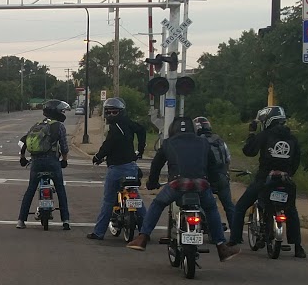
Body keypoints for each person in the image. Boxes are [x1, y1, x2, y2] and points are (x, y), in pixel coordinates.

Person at [126, 116, 237, 259]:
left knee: (158, 204)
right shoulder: (203, 142)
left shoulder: (168, 143)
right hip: (201, 184)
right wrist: (213, 182)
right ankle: (221, 246)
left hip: (177, 184)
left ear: (173, 129)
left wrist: (152, 182)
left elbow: (156, 164)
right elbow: (212, 167)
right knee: (211, 209)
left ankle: (143, 238)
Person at [232, 105, 305, 257]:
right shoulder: (292, 138)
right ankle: (298, 247)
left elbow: (249, 151)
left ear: (268, 120)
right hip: (285, 180)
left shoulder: (265, 135)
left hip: (264, 179)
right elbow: (296, 160)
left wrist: (251, 133)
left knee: (240, 207)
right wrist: (288, 174)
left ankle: (234, 240)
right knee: (291, 211)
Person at [87, 96, 149, 240]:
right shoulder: (128, 123)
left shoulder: (115, 129)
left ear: (121, 112)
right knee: (137, 200)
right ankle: (146, 231)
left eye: (114, 112)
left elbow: (107, 146)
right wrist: (140, 150)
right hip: (131, 167)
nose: (111, 115)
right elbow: (141, 130)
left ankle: (99, 232)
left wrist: (97, 157)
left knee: (108, 201)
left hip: (116, 169)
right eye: (109, 112)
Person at [16, 99, 72, 229]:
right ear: (56, 112)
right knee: (60, 189)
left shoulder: (37, 125)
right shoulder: (59, 126)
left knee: (30, 190)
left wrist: (22, 158)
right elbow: (64, 147)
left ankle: (21, 220)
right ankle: (65, 221)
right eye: (62, 111)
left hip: (36, 162)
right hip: (52, 162)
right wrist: (64, 160)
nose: (63, 113)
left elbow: (23, 142)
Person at [195, 115, 235, 234]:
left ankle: (208, 225)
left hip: (204, 178)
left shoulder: (198, 142)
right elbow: (228, 159)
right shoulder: (219, 140)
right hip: (221, 177)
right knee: (229, 206)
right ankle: (236, 232)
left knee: (199, 203)